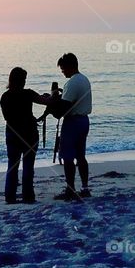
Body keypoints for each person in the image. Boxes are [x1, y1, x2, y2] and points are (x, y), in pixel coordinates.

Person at [0, 67, 50, 204]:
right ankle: (28, 196)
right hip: (29, 134)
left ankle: (10, 196)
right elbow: (45, 101)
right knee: (28, 166)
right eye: (24, 79)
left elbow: (6, 117)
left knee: (12, 166)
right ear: (21, 81)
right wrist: (53, 96)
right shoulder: (28, 94)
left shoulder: (5, 97)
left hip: (12, 134)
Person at [54, 53, 92, 201]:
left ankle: (70, 189)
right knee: (81, 156)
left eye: (63, 68)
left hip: (73, 122)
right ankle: (84, 187)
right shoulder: (84, 79)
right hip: (84, 121)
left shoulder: (72, 83)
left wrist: (53, 101)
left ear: (70, 66)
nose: (62, 71)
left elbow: (63, 109)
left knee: (68, 157)